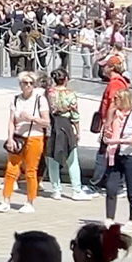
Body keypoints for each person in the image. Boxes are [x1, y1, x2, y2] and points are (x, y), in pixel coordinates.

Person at [0, 71, 48, 213]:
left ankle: (30, 202)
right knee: (11, 169)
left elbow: (46, 122)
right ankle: (6, 200)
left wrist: (32, 118)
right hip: (18, 137)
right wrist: (10, 138)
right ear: (20, 85)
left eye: (31, 83)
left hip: (35, 137)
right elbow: (11, 121)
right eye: (25, 83)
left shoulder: (40, 100)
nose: (28, 85)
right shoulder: (15, 99)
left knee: (31, 171)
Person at [96, 88, 132, 225]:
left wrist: (118, 141)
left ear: (124, 100)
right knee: (111, 187)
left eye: (116, 99)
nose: (114, 101)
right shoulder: (114, 114)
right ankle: (109, 217)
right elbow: (108, 131)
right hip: (115, 154)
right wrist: (108, 126)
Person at [45, 69, 88, 202]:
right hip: (66, 125)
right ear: (66, 79)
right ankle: (76, 190)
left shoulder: (48, 93)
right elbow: (75, 114)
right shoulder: (70, 94)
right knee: (72, 159)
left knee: (52, 158)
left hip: (51, 124)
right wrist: (78, 131)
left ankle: (56, 190)